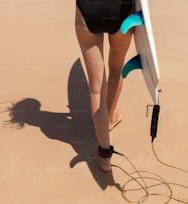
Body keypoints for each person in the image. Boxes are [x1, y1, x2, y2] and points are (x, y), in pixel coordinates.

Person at [75, 0, 134, 172]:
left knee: (96, 89)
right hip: (120, 11)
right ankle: (108, 119)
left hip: (88, 12)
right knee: (116, 67)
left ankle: (105, 157)